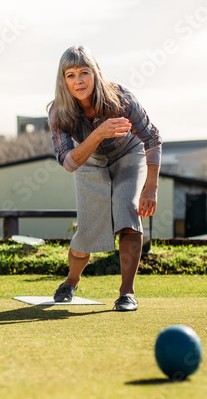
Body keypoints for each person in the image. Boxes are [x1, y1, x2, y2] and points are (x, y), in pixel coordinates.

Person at [48, 46, 161, 311]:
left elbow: (152, 138)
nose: (79, 81)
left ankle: (127, 293)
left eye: (84, 73)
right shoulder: (58, 111)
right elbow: (69, 163)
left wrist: (151, 188)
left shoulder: (121, 99)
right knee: (87, 232)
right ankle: (71, 281)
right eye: (71, 75)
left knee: (128, 213)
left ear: (95, 74)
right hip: (88, 159)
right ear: (63, 80)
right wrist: (99, 134)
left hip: (128, 154)